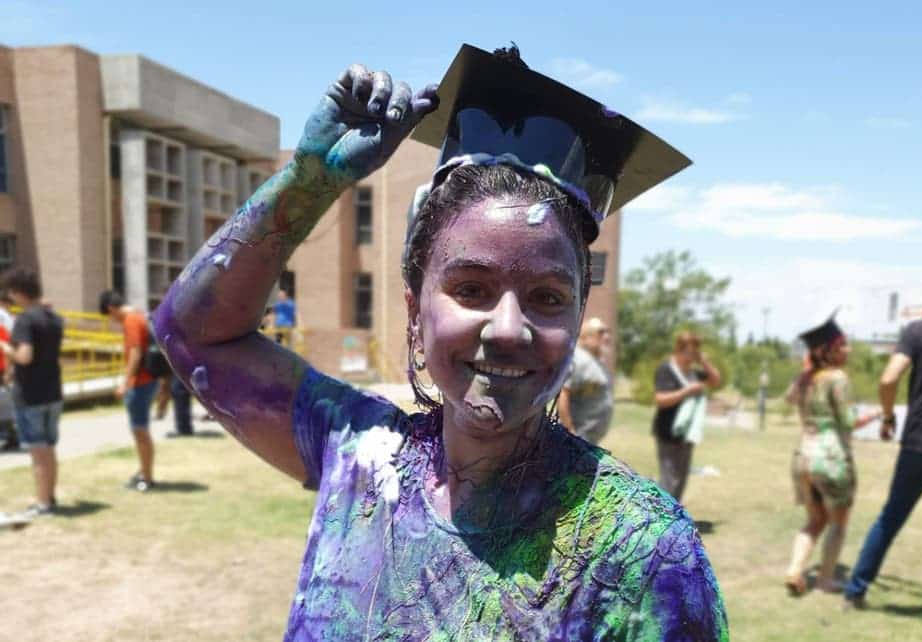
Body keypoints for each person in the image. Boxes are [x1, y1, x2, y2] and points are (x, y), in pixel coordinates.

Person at [154, 44, 727, 639]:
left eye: (548, 298)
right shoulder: (357, 459)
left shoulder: (644, 553)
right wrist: (309, 180)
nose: (508, 329)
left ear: (580, 318)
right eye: (471, 288)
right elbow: (192, 334)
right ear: (414, 307)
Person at [845, 265, 922, 630]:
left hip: (918, 442)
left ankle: (855, 590)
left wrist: (889, 417)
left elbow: (888, 377)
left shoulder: (918, 331)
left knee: (891, 517)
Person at [783, 313, 879, 595]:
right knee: (838, 521)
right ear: (830, 350)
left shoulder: (805, 379)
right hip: (832, 459)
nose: (848, 350)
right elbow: (849, 421)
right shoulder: (837, 378)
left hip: (802, 457)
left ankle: (794, 570)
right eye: (843, 344)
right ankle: (826, 579)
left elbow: (788, 399)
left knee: (815, 520)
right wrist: (875, 414)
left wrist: (805, 370)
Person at [0, 269, 63, 515]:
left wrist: (5, 348)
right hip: (52, 391)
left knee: (38, 452)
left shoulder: (26, 320)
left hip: (30, 395)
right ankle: (50, 496)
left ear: (17, 292)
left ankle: (42, 503)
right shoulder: (54, 317)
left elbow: (24, 356)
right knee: (49, 448)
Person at [652, 331, 722, 501]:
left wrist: (704, 361)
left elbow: (716, 381)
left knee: (681, 479)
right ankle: (663, 520)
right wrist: (687, 391)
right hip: (667, 433)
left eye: (695, 353)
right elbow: (660, 399)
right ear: (679, 349)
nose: (692, 357)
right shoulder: (666, 370)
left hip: (687, 434)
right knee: (669, 480)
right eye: (689, 352)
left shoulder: (694, 373)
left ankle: (675, 517)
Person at [99, 290, 158, 491]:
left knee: (140, 430)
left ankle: (147, 477)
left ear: (110, 309)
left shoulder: (131, 320)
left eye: (109, 316)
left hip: (140, 382)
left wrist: (125, 382)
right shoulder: (140, 315)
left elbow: (135, 352)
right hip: (148, 380)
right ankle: (144, 471)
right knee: (141, 430)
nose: (112, 321)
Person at [558, 317, 614, 445]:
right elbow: (563, 394)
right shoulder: (578, 358)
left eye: (606, 333)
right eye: (599, 333)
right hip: (576, 438)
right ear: (584, 337)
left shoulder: (596, 361)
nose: (605, 337)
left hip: (588, 438)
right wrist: (570, 431)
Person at [0, 290, 19, 451]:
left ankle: (12, 435)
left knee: (4, 401)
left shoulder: (4, 317)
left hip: (3, 364)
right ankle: (11, 434)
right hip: (6, 364)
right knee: (6, 401)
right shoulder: (6, 317)